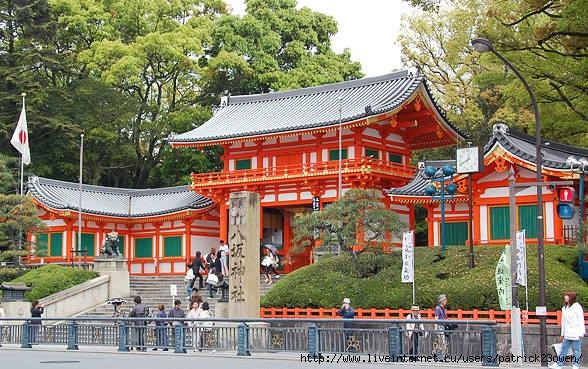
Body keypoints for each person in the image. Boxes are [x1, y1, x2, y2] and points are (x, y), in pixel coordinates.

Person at [549, 291, 585, 369]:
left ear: (571, 297)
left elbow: (581, 320)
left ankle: (576, 365)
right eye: (565, 295)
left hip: (576, 331)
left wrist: (581, 332)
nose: (565, 297)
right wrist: (562, 334)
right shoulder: (564, 308)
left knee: (576, 350)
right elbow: (563, 322)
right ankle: (559, 364)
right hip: (567, 332)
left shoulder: (577, 307)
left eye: (567, 296)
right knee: (563, 349)